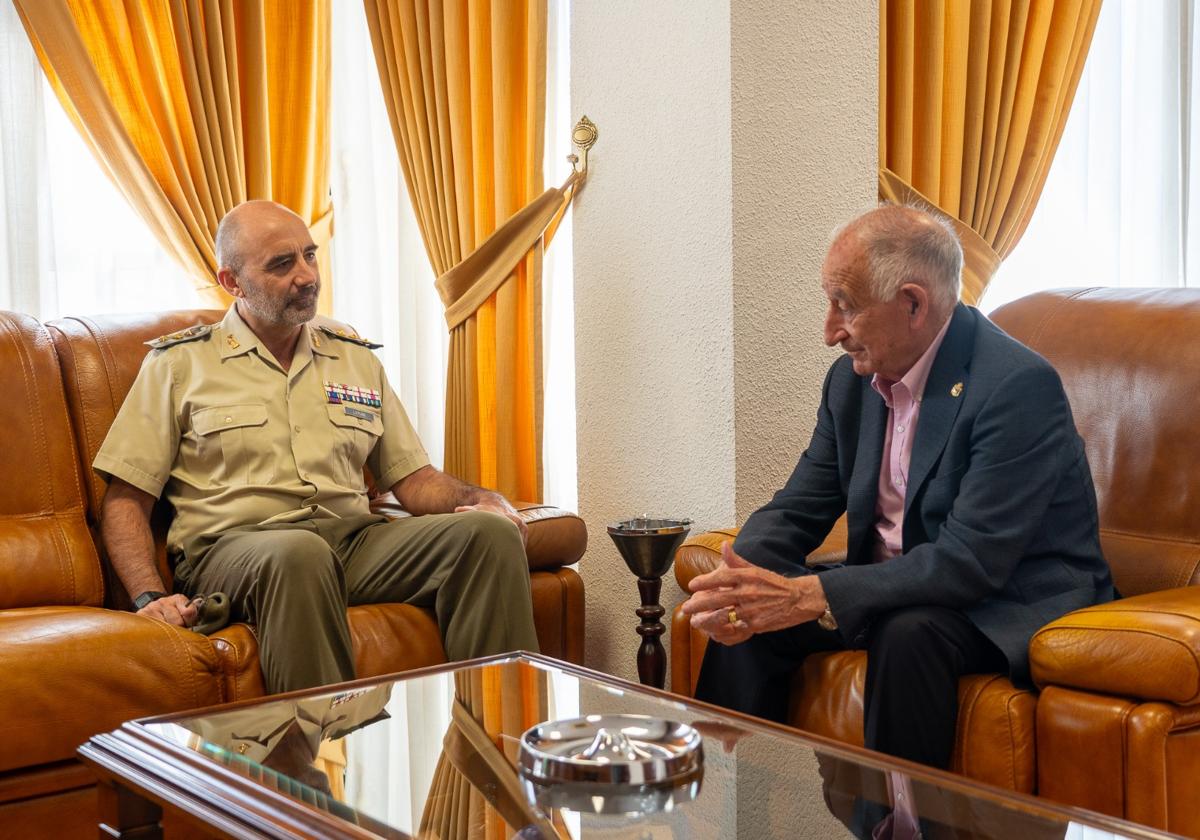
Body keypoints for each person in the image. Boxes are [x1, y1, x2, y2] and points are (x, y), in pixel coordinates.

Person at [681, 204, 1115, 775]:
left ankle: (903, 824)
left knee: (908, 631)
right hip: (901, 586)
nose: (830, 331)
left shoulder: (1014, 387)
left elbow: (970, 563)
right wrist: (743, 580)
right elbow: (798, 506)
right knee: (758, 619)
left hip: (1010, 595)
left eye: (845, 305)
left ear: (912, 303)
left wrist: (813, 595)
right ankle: (723, 804)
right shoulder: (851, 383)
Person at [94, 200, 539, 694]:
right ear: (231, 282)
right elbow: (126, 499)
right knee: (299, 553)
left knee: (486, 535)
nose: (307, 276)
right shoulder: (179, 365)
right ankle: (310, 755)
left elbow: (412, 479)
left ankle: (500, 746)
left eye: (310, 255)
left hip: (351, 544)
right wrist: (148, 596)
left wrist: (482, 500)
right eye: (282, 264)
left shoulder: (353, 357)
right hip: (235, 552)